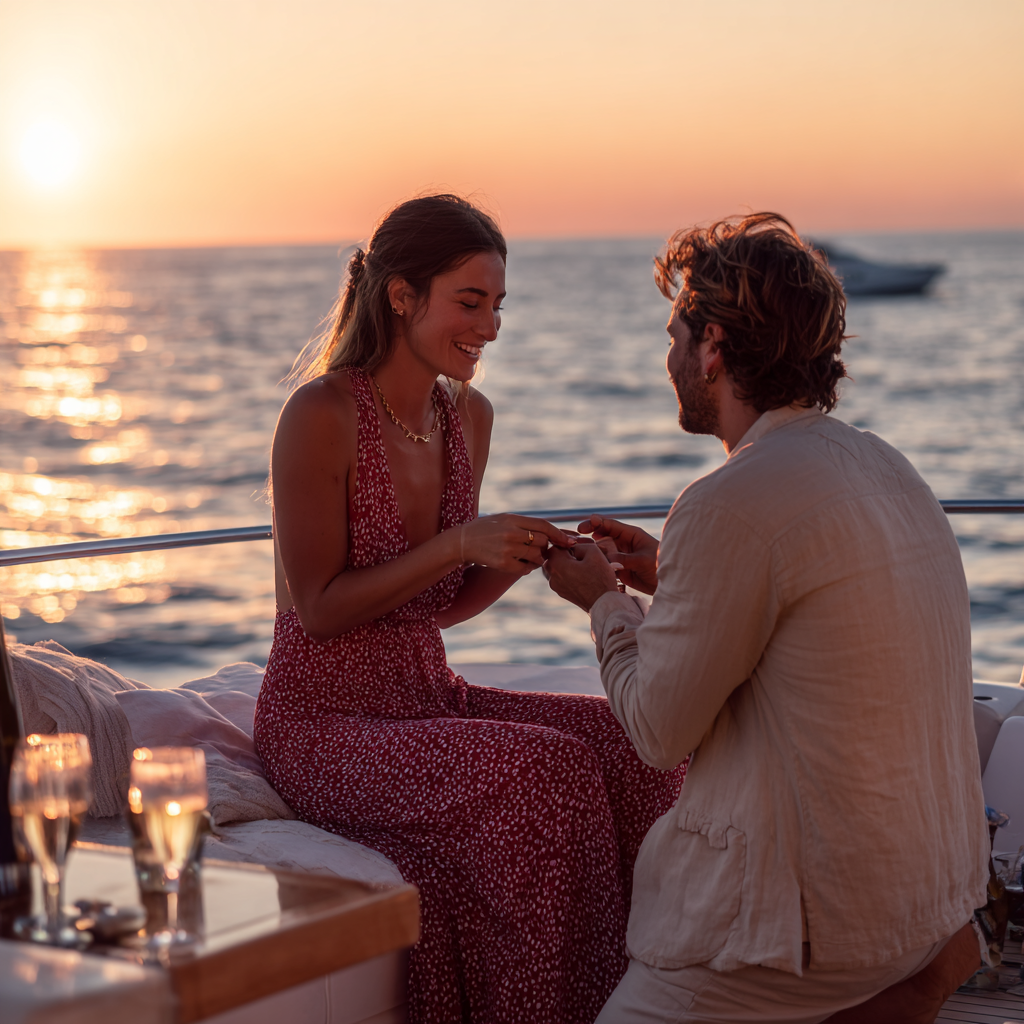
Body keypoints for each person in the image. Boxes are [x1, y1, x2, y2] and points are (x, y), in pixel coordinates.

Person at [545, 212, 989, 1023]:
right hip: (925, 904)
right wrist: (672, 575)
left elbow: (657, 732)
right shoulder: (890, 468)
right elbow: (812, 616)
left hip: (810, 934)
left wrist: (603, 603)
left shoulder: (728, 501)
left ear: (713, 346)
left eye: (675, 336)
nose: (667, 358)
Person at [253, 194, 685, 1024]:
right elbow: (320, 611)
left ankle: (651, 1000)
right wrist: (459, 544)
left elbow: (436, 608)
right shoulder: (321, 414)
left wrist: (532, 557)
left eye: (498, 306)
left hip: (429, 701)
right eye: (471, 302)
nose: (489, 327)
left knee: (634, 746)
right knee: (547, 772)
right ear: (401, 296)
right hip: (322, 724)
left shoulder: (468, 418)